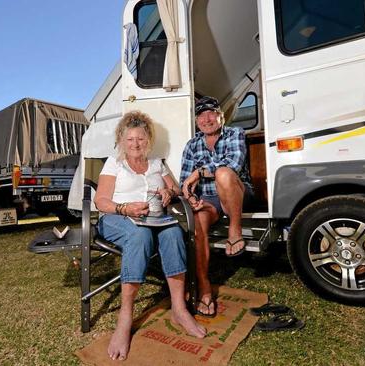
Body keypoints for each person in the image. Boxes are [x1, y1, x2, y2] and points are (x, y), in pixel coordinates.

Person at [94, 110, 207, 361]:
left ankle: (178, 309)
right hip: (116, 218)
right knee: (139, 237)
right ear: (122, 140)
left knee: (173, 233)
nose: (136, 144)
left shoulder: (157, 163)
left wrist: (170, 193)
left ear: (149, 140)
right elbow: (100, 201)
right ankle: (125, 317)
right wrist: (125, 208)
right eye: (130, 139)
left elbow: (176, 188)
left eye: (141, 139)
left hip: (152, 219)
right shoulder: (114, 163)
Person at [179, 96, 254, 317]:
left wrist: (200, 172)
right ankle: (204, 287)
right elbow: (186, 181)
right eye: (201, 116)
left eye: (211, 113)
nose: (206, 119)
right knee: (198, 220)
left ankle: (234, 230)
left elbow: (234, 164)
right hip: (209, 200)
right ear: (196, 122)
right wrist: (191, 197)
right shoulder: (192, 145)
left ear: (221, 116)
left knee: (223, 173)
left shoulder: (235, 133)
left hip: (237, 193)